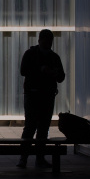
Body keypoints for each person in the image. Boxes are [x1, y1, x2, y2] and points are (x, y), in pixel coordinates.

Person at [17, 29, 65, 168]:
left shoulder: (31, 54)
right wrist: (44, 70)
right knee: (36, 127)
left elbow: (24, 71)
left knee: (36, 127)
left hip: (36, 95)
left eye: (49, 40)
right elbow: (61, 77)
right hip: (42, 96)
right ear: (40, 40)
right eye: (47, 40)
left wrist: (51, 72)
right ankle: (36, 158)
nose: (48, 43)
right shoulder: (53, 57)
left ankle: (25, 158)